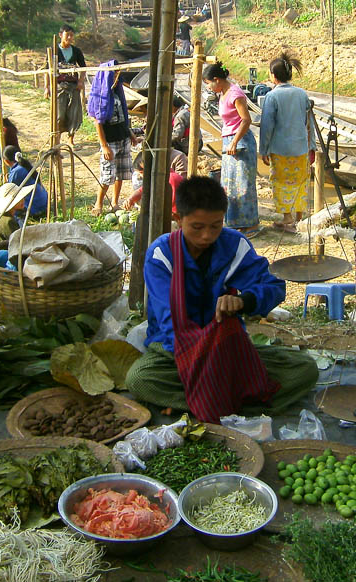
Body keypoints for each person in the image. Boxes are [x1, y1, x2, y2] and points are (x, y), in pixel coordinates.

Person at [124, 176, 319, 421]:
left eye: (215, 225)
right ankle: (233, 402)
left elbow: (273, 286)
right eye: (197, 227)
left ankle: (205, 403)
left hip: (226, 345)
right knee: (139, 379)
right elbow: (168, 321)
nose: (207, 235)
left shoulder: (235, 246)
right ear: (178, 220)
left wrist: (244, 301)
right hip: (175, 350)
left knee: (305, 369)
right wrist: (204, 360)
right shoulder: (162, 255)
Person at [259, 53, 316, 234]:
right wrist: (312, 146)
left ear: (273, 76)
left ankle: (287, 218)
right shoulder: (301, 94)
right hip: (300, 148)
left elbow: (267, 126)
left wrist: (264, 149)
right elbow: (309, 123)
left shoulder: (272, 97)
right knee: (300, 181)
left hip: (280, 149)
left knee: (281, 182)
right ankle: (299, 217)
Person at [204, 63, 260, 236]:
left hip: (240, 142)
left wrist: (235, 142)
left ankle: (251, 224)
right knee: (230, 184)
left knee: (244, 184)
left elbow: (246, 120)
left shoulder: (235, 94)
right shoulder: (222, 93)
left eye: (208, 83)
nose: (208, 87)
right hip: (229, 141)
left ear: (217, 79)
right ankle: (236, 223)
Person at [90, 60, 134, 214]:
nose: (116, 76)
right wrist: (104, 145)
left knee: (120, 174)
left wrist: (131, 134)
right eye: (114, 73)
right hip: (110, 141)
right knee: (107, 175)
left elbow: (123, 117)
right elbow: (98, 122)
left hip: (123, 138)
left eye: (117, 73)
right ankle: (99, 204)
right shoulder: (101, 94)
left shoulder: (117, 91)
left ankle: (115, 202)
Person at [0, 146, 49, 245]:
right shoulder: (24, 165)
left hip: (36, 208)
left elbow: (9, 190)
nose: (22, 200)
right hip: (43, 204)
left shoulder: (16, 172)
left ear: (6, 161)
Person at [55, 25, 87, 147]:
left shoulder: (76, 51)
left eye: (71, 35)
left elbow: (83, 67)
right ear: (60, 35)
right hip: (59, 86)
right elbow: (48, 70)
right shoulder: (54, 51)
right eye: (67, 34)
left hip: (73, 86)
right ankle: (57, 139)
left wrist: (80, 81)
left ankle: (70, 139)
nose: (69, 37)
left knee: (74, 113)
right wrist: (47, 87)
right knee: (59, 114)